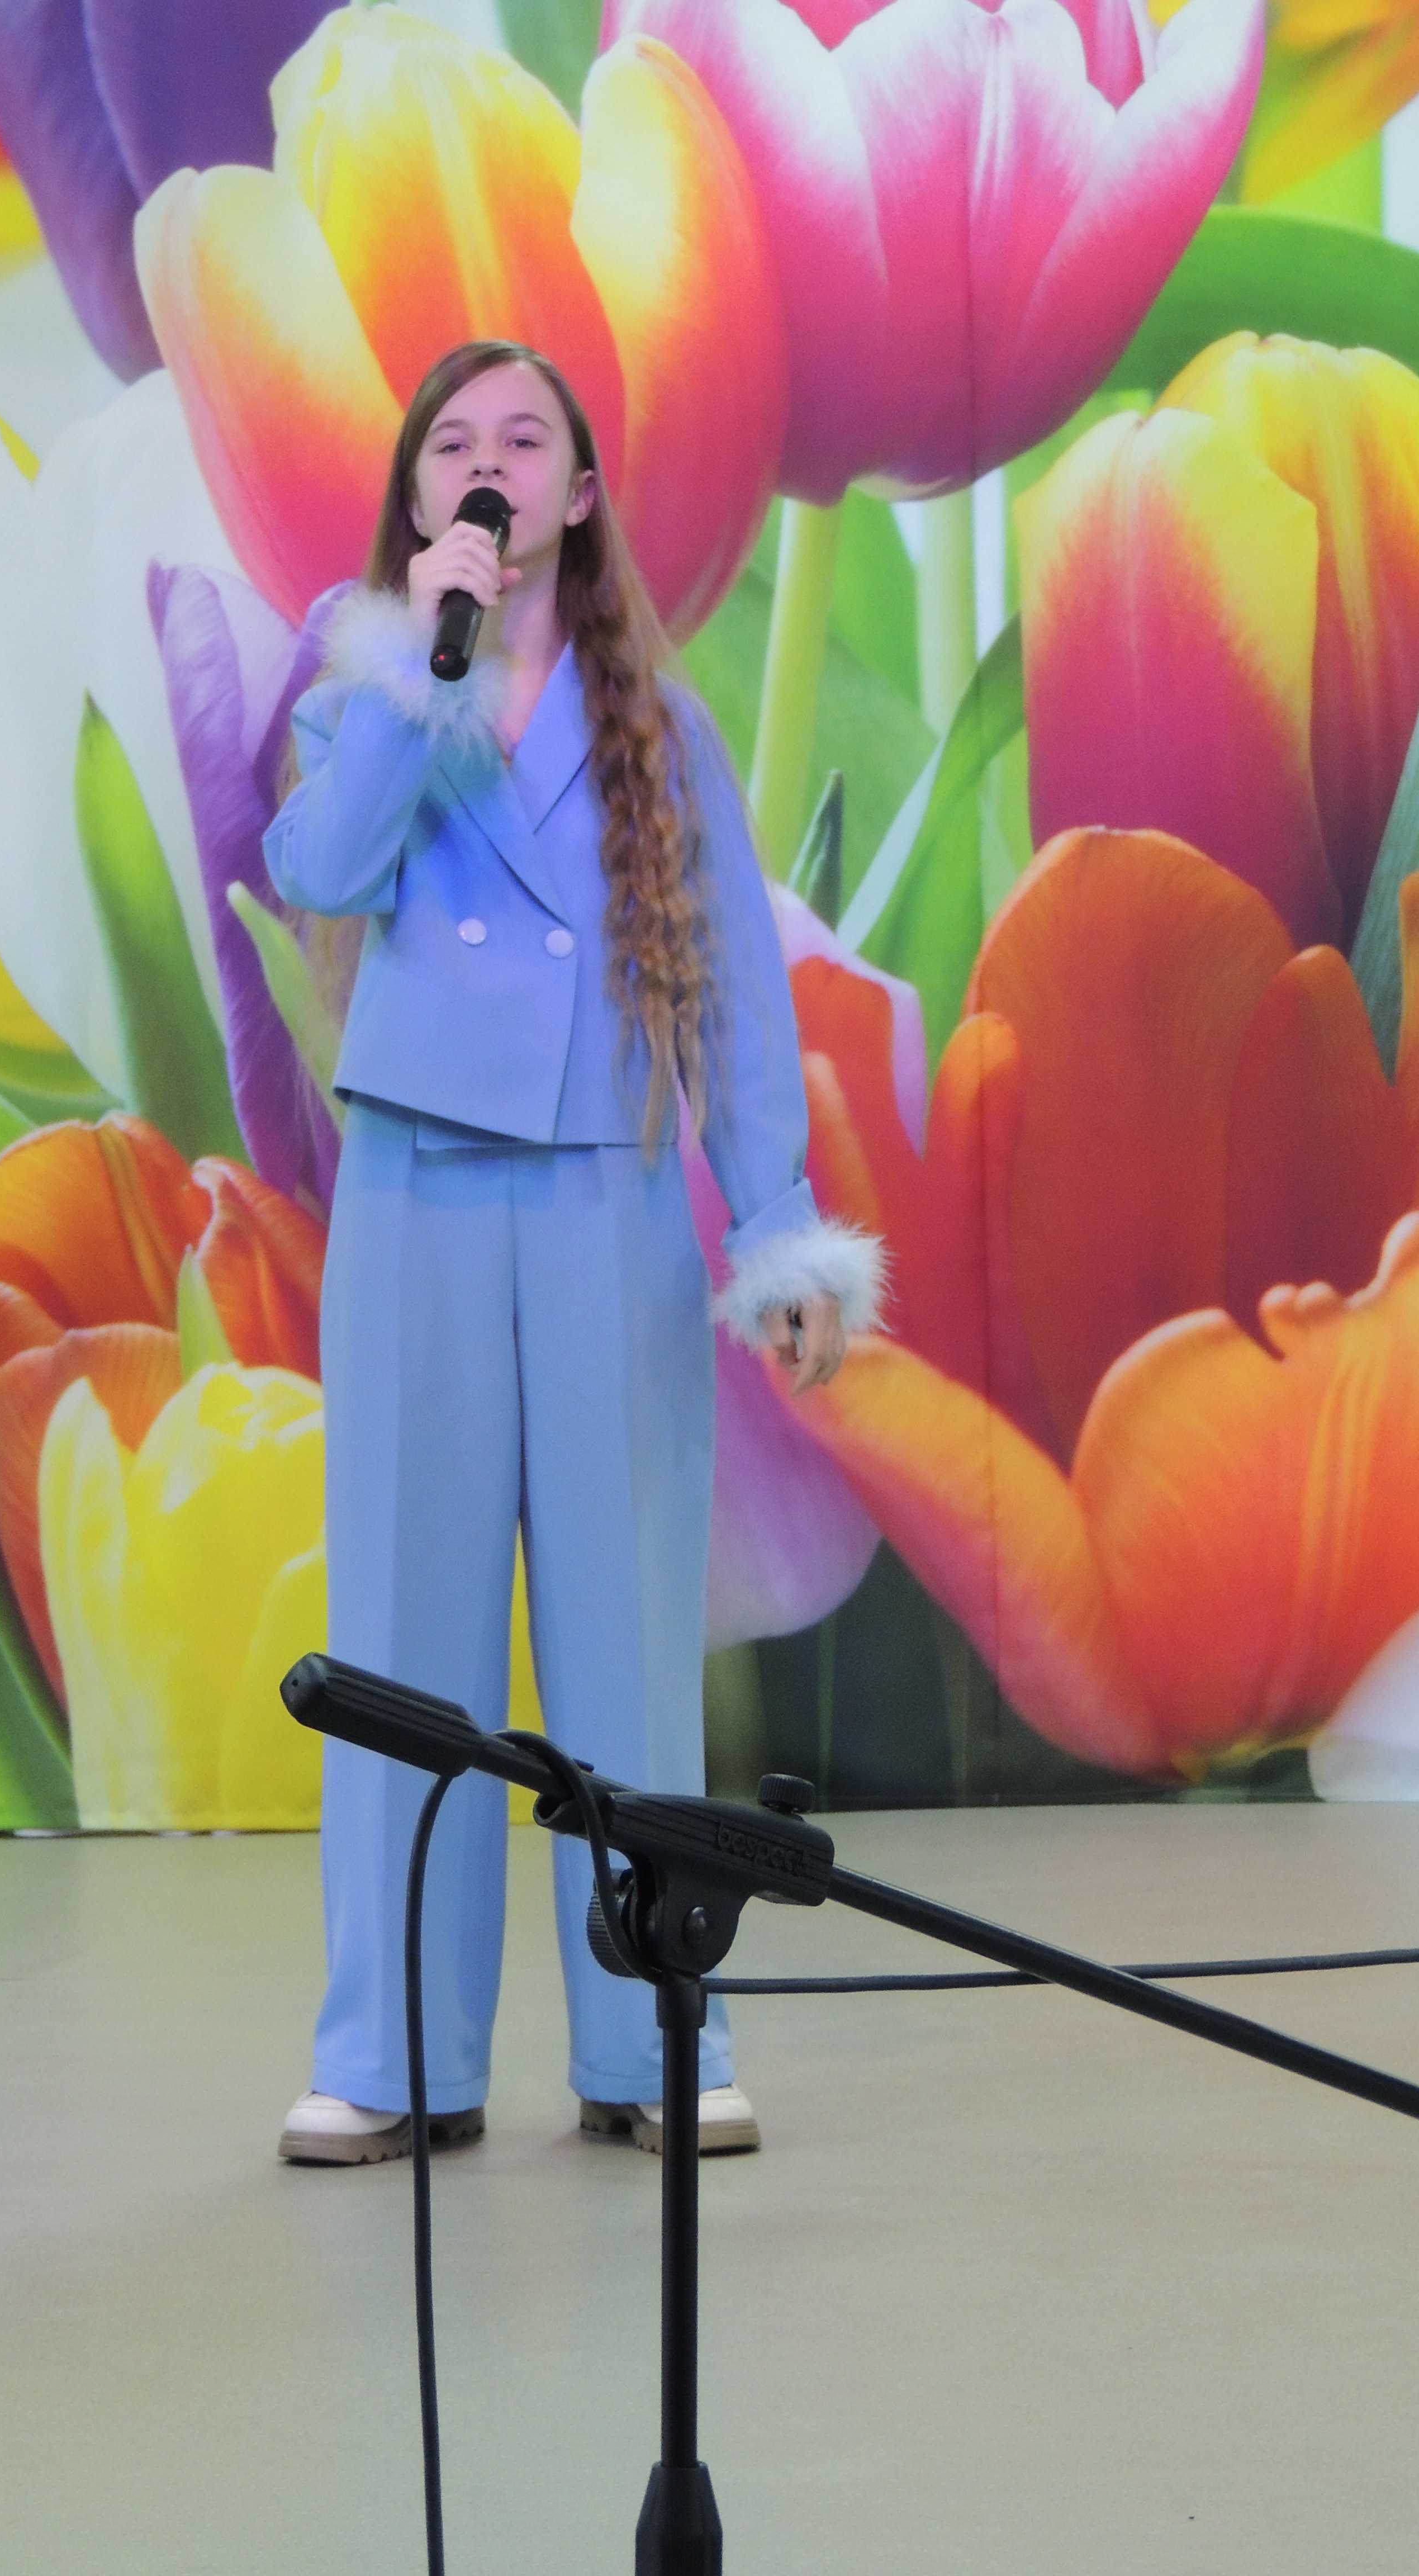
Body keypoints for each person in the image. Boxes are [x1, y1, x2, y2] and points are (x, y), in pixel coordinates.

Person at [263, 339, 882, 2168]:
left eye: (526, 438)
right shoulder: (370, 690)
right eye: (456, 441)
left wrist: (774, 1227)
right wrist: (420, 672)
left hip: (605, 1201)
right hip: (417, 1202)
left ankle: (652, 2040)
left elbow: (739, 994)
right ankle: (389, 2055)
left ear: (583, 492)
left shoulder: (659, 730)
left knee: (622, 1641)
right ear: (419, 495)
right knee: (404, 1640)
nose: (491, 463)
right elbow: (322, 868)